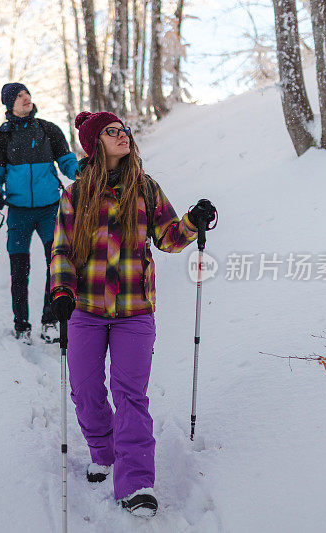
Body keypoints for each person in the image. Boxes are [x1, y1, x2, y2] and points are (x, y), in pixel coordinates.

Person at [48, 111, 217, 517]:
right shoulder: (75, 195)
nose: (122, 136)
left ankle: (137, 482)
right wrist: (61, 290)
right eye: (112, 131)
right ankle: (103, 452)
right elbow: (62, 248)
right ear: (95, 142)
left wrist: (192, 223)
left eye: (124, 130)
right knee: (86, 390)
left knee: (131, 396)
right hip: (85, 308)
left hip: (134, 309)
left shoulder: (146, 188)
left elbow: (169, 238)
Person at [0, 83, 78, 342]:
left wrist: (80, 172)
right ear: (9, 104)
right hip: (18, 212)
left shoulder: (48, 130)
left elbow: (67, 160)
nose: (26, 99)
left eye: (27, 94)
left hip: (50, 210)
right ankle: (21, 325)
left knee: (56, 264)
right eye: (19, 96)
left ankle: (50, 321)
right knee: (19, 269)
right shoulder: (2, 137)